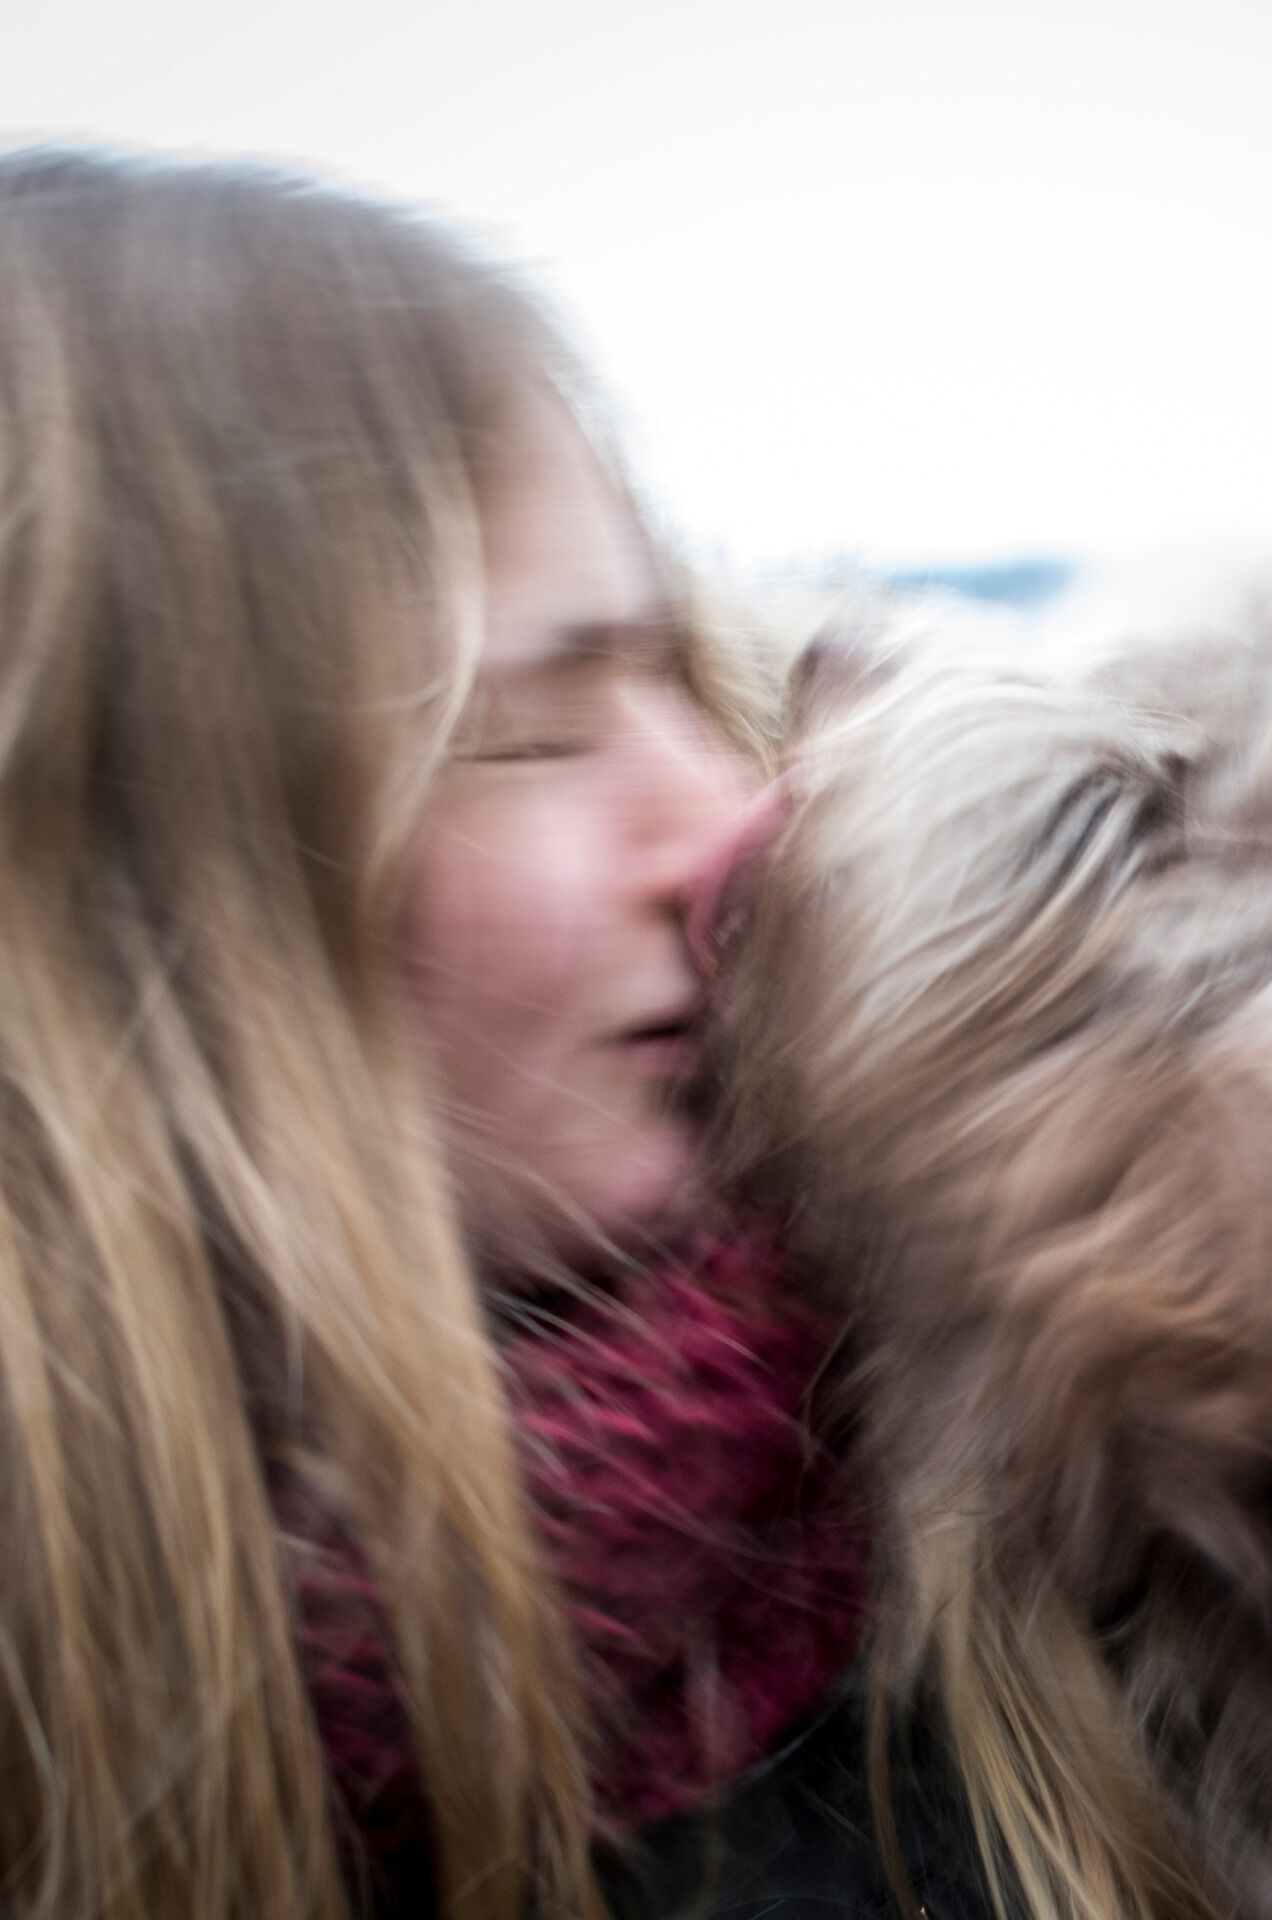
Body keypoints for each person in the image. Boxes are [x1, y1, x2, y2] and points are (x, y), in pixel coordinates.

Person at [0, 147, 952, 1920]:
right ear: (116, 929)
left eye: (675, 677)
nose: (736, 826)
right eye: (523, 730)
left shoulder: (1097, 1546)